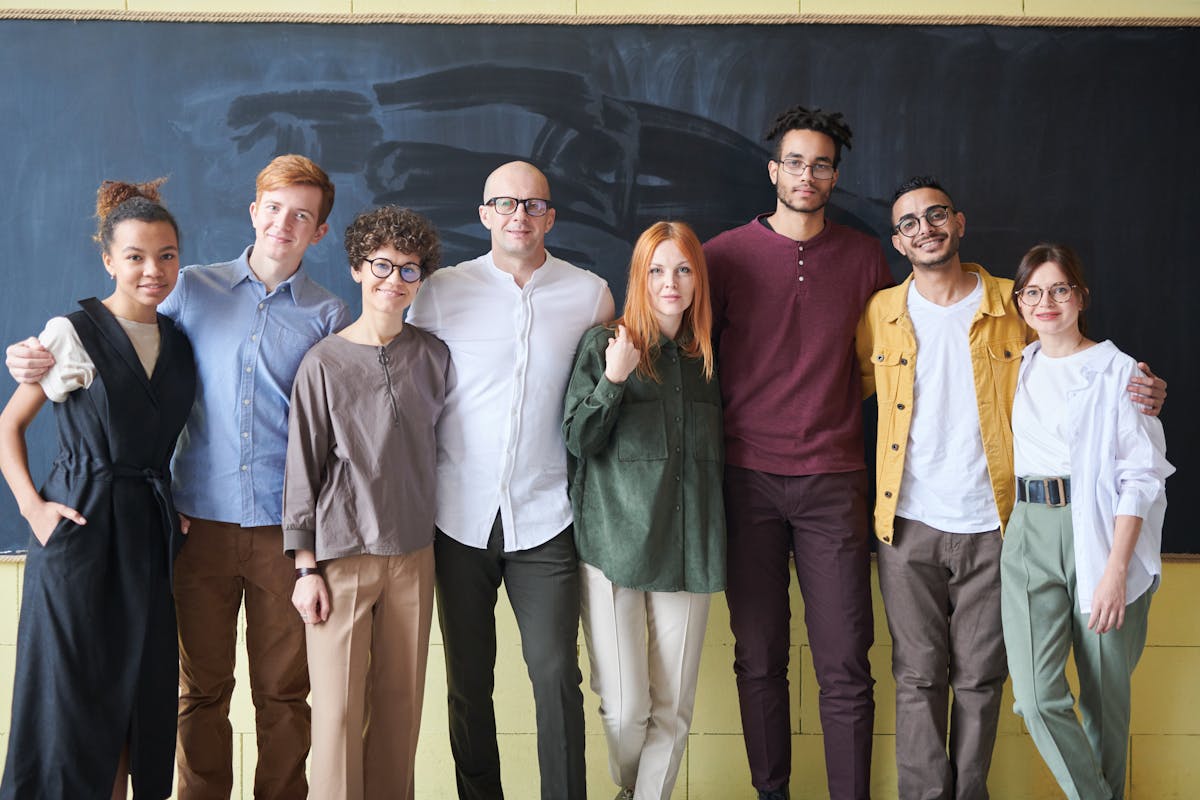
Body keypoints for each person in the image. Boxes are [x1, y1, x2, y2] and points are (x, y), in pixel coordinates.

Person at [5, 154, 349, 799]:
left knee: (283, 693)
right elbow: (108, 345)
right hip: (194, 528)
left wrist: (313, 552)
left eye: (302, 215)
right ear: (254, 212)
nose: (284, 224)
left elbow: (327, 436)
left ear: (320, 231)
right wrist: (29, 354)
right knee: (197, 691)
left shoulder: (329, 316)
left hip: (280, 528)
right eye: (274, 208)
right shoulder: (188, 287)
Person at [855, 177, 1166, 800]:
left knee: (981, 680)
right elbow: (841, 388)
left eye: (937, 214)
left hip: (996, 522)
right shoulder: (881, 314)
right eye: (910, 222)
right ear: (897, 239)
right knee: (916, 677)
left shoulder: (1011, 305)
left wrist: (1146, 388)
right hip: (908, 519)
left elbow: (1074, 362)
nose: (926, 228)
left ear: (959, 222)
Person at [406, 161, 614, 800]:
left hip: (547, 514)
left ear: (550, 216)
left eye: (532, 205)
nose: (518, 216)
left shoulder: (590, 293)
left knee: (555, 673)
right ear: (484, 214)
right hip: (456, 516)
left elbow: (604, 397)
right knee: (468, 678)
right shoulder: (440, 290)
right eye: (504, 204)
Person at [702, 105, 890, 800]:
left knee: (846, 663)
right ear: (773, 169)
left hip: (835, 480)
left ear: (834, 177)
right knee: (758, 658)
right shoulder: (722, 256)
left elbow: (892, 358)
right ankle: (771, 793)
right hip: (745, 478)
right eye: (795, 161)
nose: (806, 174)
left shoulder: (867, 256)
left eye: (821, 164)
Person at [0, 180, 196, 799]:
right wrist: (34, 510)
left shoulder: (181, 341)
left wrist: (177, 503)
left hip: (149, 537)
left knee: (138, 695)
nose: (152, 270)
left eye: (166, 256)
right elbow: (9, 426)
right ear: (108, 259)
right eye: (135, 256)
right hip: (79, 531)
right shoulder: (71, 331)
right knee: (76, 700)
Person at [282, 206, 449, 800]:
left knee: (401, 714)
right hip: (340, 557)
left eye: (409, 269)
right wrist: (304, 568)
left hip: (414, 554)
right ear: (357, 268)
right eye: (381, 265)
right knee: (337, 719)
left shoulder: (434, 355)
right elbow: (301, 470)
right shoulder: (322, 362)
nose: (394, 280)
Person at [1001, 244, 1172, 800]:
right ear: (1019, 302)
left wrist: (1116, 571)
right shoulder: (1014, 366)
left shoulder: (1121, 372)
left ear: (1081, 297)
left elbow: (1141, 477)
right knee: (1033, 696)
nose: (1045, 302)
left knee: (1104, 697)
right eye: (1033, 291)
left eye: (1059, 289)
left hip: (1097, 533)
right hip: (1028, 530)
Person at [563, 221, 724, 800]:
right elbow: (579, 441)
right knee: (627, 709)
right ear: (639, 276)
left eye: (682, 269)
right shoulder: (605, 344)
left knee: (673, 708)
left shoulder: (707, 359)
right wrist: (613, 378)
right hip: (614, 548)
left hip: (687, 552)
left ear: (697, 279)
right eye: (656, 269)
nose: (670, 282)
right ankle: (631, 789)